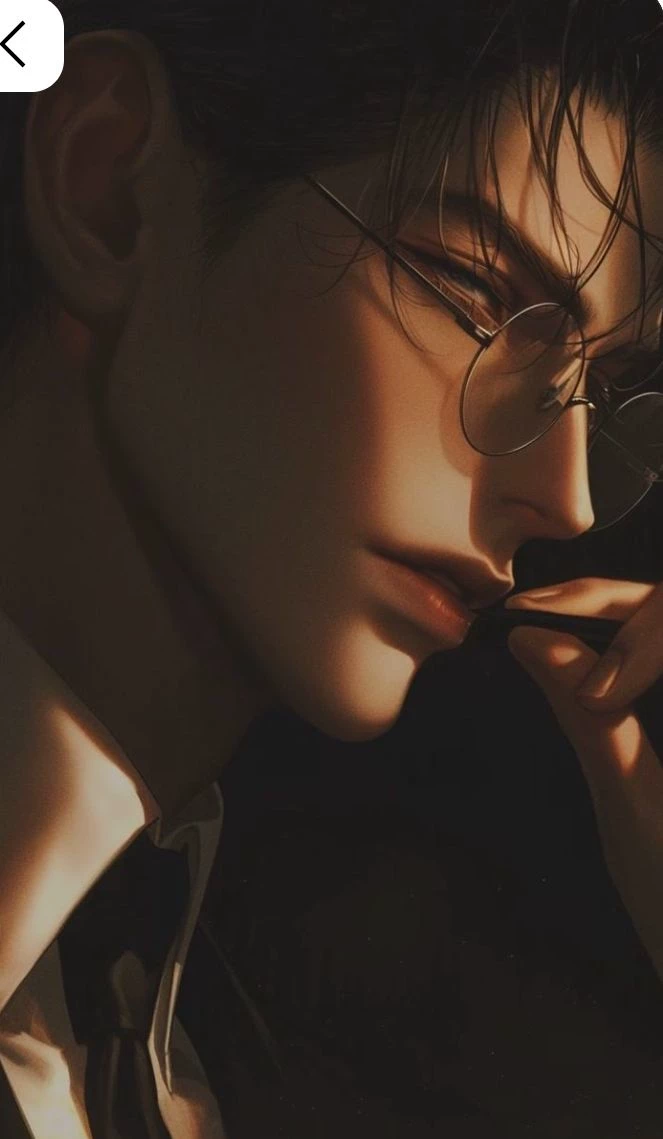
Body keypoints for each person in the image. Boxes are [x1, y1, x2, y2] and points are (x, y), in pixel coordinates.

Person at [0, 0, 663, 1134]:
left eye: (594, 394)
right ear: (107, 187)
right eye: (478, 297)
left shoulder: (226, 1063)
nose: (568, 501)